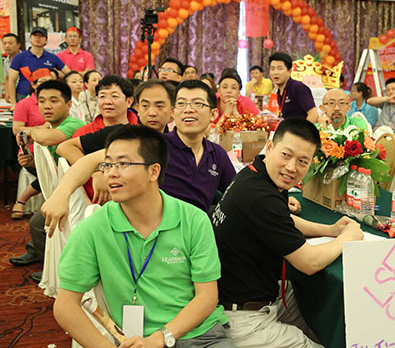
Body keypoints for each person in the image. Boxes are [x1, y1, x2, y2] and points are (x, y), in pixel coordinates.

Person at [54, 125, 236, 348]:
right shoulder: (93, 228)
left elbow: (206, 297)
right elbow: (65, 305)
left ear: (154, 171)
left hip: (200, 335)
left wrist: (160, 338)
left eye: (123, 164)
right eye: (108, 164)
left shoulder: (193, 219)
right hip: (134, 341)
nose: (111, 173)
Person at [211, 118, 363, 347]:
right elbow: (309, 262)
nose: (292, 167)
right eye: (286, 155)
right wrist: (346, 238)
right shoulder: (260, 197)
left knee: (322, 318)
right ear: (270, 146)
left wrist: (330, 230)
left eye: (302, 161)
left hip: (264, 295)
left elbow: (283, 218)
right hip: (243, 317)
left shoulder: (255, 173)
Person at [43, 80, 236, 236]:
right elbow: (89, 161)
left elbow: (234, 193)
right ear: (174, 112)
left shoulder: (217, 154)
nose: (188, 109)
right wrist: (61, 195)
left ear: (213, 114)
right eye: (182, 104)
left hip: (195, 234)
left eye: (197, 104)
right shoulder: (153, 145)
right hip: (153, 236)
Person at [9, 80, 85, 283]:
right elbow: (51, 170)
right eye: (41, 101)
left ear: (68, 105)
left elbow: (48, 138)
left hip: (80, 193)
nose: (47, 106)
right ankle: (40, 255)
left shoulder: (74, 125)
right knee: (38, 221)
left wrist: (28, 131)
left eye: (53, 101)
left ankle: (55, 268)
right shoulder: (48, 128)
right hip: (60, 190)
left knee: (40, 221)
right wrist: (32, 162)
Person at [7, 27, 70, 109]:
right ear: (30, 38)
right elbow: (12, 80)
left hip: (47, 97)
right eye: (35, 36)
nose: (38, 38)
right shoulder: (19, 57)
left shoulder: (52, 57)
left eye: (41, 36)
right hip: (23, 95)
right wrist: (13, 103)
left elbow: (69, 74)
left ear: (46, 40)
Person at [71, 75, 138, 138]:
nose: (107, 102)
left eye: (114, 96)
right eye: (102, 96)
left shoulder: (140, 131)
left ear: (129, 101)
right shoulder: (83, 133)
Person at [270, 52, 318, 123]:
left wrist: (303, 130)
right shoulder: (279, 91)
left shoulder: (298, 87)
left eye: (280, 69)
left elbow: (313, 114)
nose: (275, 72)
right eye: (272, 69)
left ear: (290, 71)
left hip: (300, 129)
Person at [11, 71, 53, 137]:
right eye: (43, 81)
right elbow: (16, 130)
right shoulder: (23, 104)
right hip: (33, 141)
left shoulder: (58, 102)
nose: (47, 85)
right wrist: (42, 128)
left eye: (50, 82)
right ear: (33, 85)